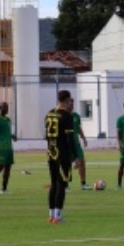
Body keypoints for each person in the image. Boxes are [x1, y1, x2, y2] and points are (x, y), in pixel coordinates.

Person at [45, 90, 76, 224]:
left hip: (51, 152)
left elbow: (46, 135)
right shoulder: (67, 116)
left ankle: (51, 214)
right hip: (62, 153)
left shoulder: (49, 114)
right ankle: (58, 216)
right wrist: (75, 156)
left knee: (53, 183)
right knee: (61, 184)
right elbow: (70, 139)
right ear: (67, 100)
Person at [68, 100, 91, 190]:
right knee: (67, 164)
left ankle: (83, 183)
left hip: (76, 144)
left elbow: (78, 128)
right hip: (67, 144)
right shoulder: (63, 116)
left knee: (82, 162)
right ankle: (66, 184)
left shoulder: (76, 116)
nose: (71, 105)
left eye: (72, 104)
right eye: (70, 104)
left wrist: (84, 138)